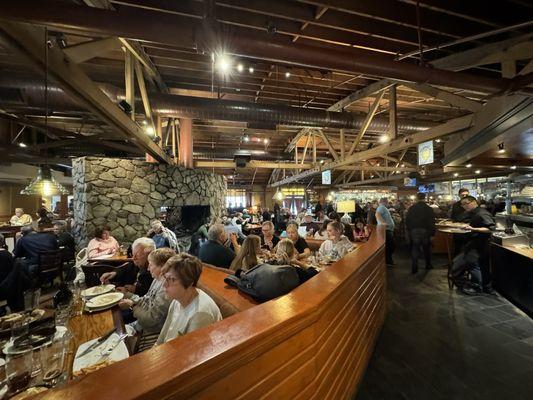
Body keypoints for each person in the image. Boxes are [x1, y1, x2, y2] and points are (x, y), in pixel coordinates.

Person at [156, 253, 222, 344]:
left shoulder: (200, 314)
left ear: (190, 282)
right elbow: (163, 336)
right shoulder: (177, 300)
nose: (164, 284)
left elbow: (192, 354)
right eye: (165, 278)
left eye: (172, 279)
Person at [118, 248, 175, 341]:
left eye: (151, 265)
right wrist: (128, 295)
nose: (148, 268)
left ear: (163, 267)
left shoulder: (166, 288)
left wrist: (132, 305)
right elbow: (147, 299)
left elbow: (152, 320)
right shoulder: (157, 279)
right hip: (141, 325)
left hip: (151, 333)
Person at [460, 196, 496, 294]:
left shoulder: (481, 213)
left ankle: (476, 287)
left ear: (474, 202)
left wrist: (472, 229)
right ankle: (486, 287)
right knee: (482, 264)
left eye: (465, 203)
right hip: (478, 242)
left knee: (472, 263)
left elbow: (490, 228)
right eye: (462, 204)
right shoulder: (475, 212)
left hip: (480, 243)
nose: (464, 206)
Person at [405, 192, 436, 274]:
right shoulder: (429, 209)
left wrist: (409, 230)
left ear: (417, 198)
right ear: (425, 198)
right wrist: (432, 234)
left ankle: (414, 267)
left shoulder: (412, 208)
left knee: (415, 248)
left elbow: (407, 220)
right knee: (426, 248)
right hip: (425, 231)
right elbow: (432, 222)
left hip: (414, 231)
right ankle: (428, 265)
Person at [376, 197, 395, 266]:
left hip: (387, 229)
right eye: (387, 201)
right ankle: (388, 261)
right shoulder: (381, 207)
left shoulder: (383, 207)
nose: (387, 203)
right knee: (390, 246)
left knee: (390, 246)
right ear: (384, 202)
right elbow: (377, 214)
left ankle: (389, 261)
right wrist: (383, 223)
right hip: (386, 230)